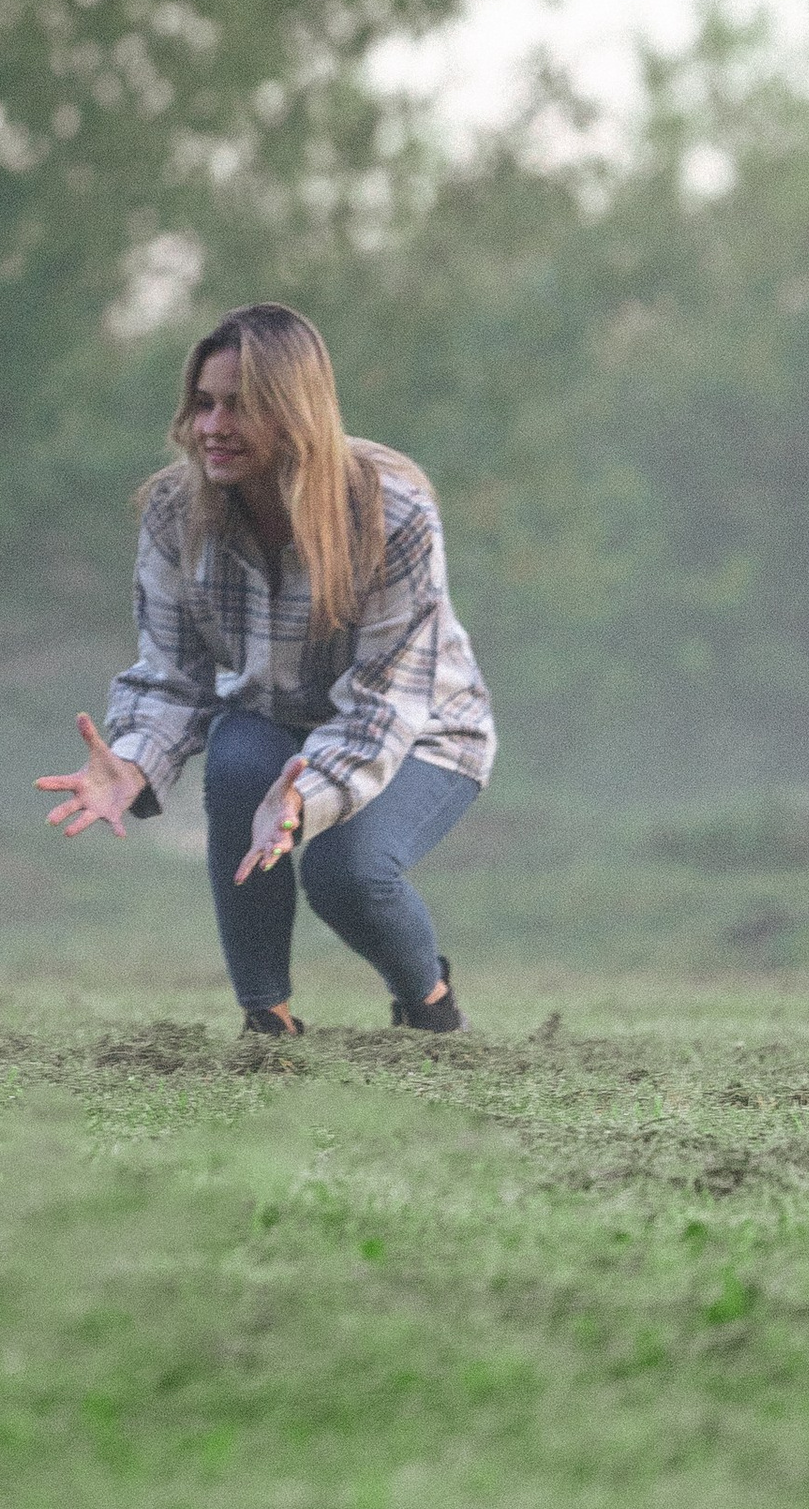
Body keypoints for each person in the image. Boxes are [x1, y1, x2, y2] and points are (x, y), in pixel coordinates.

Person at [38, 302, 495, 1038]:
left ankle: (430, 1005)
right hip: (273, 716)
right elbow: (173, 676)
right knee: (239, 761)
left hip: (422, 730)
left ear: (297, 413)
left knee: (344, 873)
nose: (212, 427)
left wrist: (304, 796)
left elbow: (384, 705)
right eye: (203, 404)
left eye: (241, 407)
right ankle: (268, 1023)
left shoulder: (396, 516)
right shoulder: (174, 512)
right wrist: (133, 763)